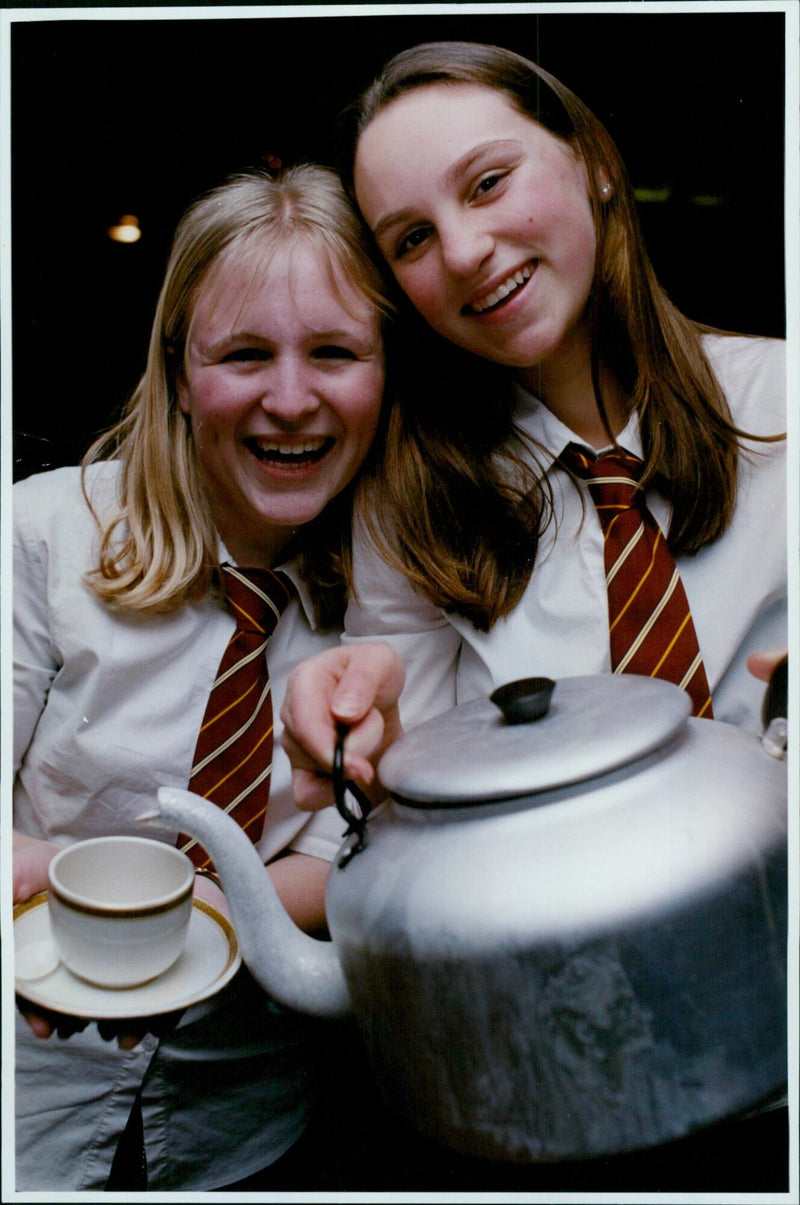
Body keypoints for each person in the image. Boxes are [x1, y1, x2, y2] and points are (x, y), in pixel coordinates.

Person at [12, 163, 392, 1191]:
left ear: (383, 370)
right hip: (25, 1105)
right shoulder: (43, 530)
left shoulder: (399, 602)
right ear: (182, 372)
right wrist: (64, 897)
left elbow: (353, 858)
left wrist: (182, 926)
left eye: (333, 351)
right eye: (242, 354)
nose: (289, 397)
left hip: (245, 1123)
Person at [280, 39, 786, 809]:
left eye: (487, 183)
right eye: (411, 239)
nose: (462, 251)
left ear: (594, 162)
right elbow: (413, 813)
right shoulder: (409, 505)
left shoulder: (784, 402)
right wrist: (373, 748)